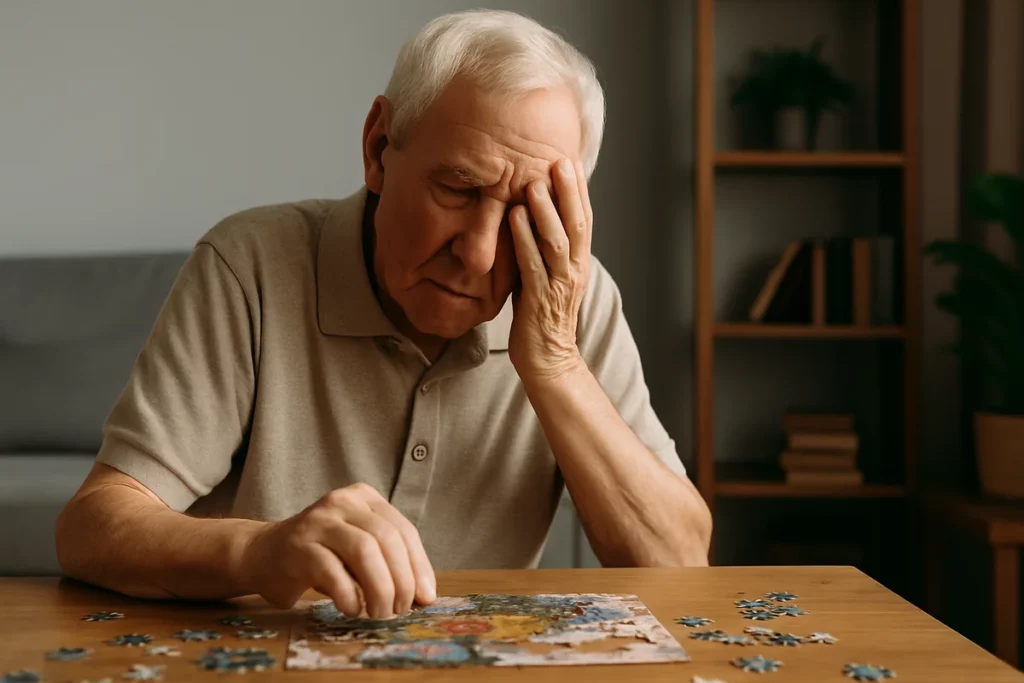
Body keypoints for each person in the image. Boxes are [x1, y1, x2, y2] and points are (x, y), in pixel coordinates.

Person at [55, 8, 712, 621]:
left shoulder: (574, 296)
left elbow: (682, 563)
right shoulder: (249, 263)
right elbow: (91, 528)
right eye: (458, 187)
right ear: (378, 146)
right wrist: (262, 551)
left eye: (524, 213)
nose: (479, 254)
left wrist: (557, 365)